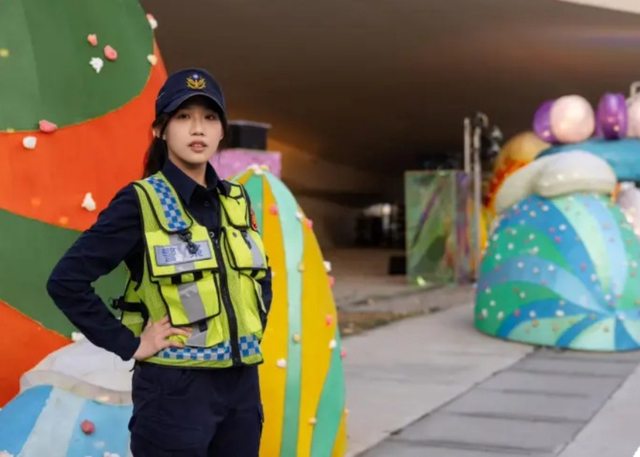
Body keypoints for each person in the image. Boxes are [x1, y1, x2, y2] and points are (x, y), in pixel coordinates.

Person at [47, 68, 272, 457]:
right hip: (175, 395)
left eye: (209, 117)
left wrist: (252, 329)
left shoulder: (236, 200)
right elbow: (66, 281)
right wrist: (131, 343)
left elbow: (259, 278)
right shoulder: (141, 202)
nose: (197, 129)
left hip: (241, 391)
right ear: (160, 130)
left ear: (222, 131)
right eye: (183, 117)